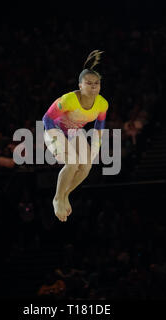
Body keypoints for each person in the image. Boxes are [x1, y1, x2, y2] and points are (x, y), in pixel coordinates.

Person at [42, 50, 109, 222]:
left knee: (86, 167)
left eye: (97, 83)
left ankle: (65, 194)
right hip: (54, 129)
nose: (93, 86)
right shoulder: (68, 100)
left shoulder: (102, 104)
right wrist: (56, 140)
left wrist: (95, 149)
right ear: (80, 85)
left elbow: (99, 127)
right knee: (72, 163)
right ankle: (57, 198)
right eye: (89, 83)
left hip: (74, 132)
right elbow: (47, 118)